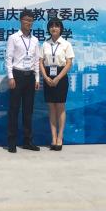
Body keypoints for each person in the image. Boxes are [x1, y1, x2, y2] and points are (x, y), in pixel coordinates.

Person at [5, 10, 41, 153]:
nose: (28, 22)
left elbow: (36, 60)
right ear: (21, 20)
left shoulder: (35, 40)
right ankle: (12, 143)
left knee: (28, 110)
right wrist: (10, 77)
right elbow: (8, 58)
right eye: (26, 19)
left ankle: (28, 141)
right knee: (14, 110)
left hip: (30, 77)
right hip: (17, 75)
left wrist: (37, 78)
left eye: (31, 20)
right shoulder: (13, 38)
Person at [39, 17, 74, 151]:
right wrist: (45, 77)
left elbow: (69, 63)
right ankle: (53, 138)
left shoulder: (66, 44)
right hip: (48, 75)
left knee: (60, 107)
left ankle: (60, 137)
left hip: (61, 76)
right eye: (52, 26)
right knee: (51, 108)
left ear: (61, 29)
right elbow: (40, 62)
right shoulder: (45, 44)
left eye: (57, 26)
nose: (54, 28)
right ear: (49, 28)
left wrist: (58, 77)